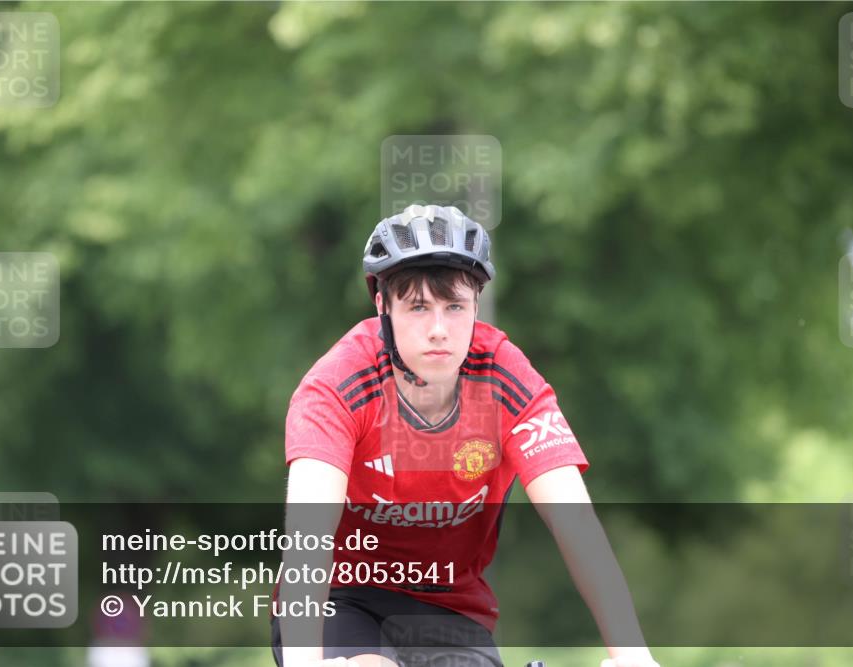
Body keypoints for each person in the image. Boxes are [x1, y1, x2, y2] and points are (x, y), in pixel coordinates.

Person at [272, 205, 660, 667]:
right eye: (418, 307)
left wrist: (635, 657)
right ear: (383, 307)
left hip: (448, 606)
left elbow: (578, 528)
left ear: (476, 304)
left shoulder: (506, 377)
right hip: (340, 597)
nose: (439, 330)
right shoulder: (337, 384)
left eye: (454, 307)